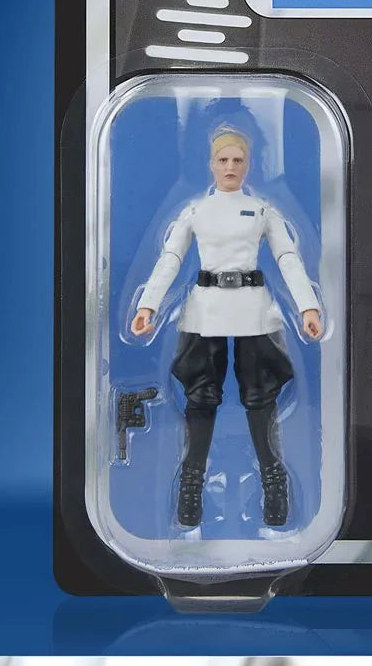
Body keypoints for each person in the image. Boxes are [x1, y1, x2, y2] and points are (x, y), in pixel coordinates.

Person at [131, 128, 323, 528]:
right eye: (223, 160)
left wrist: (308, 306)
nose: (230, 167)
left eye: (238, 160)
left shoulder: (263, 210)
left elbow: (288, 258)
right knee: (200, 398)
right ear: (211, 164)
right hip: (205, 310)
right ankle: (190, 487)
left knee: (261, 397)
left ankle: (274, 484)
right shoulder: (196, 211)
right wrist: (148, 304)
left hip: (253, 310)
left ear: (248, 164)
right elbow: (170, 258)